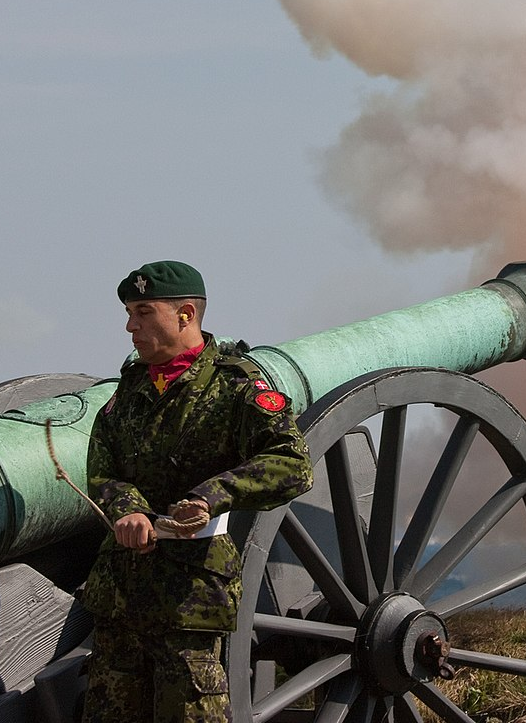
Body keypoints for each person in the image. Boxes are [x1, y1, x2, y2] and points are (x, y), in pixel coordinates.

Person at [80, 260, 313, 723]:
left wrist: (211, 496)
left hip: (191, 598)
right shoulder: (130, 389)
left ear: (185, 314)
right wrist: (129, 511)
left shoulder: (236, 387)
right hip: (121, 596)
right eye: (129, 313)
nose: (130, 326)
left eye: (143, 312)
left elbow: (292, 463)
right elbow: (102, 468)